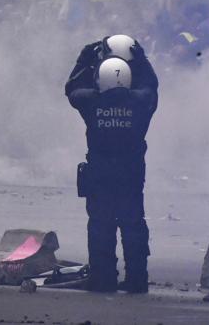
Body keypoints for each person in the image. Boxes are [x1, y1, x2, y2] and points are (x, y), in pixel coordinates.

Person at [66, 53, 158, 294]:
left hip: (100, 176)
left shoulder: (91, 103)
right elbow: (151, 85)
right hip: (131, 175)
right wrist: (139, 57)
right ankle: (137, 280)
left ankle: (103, 278)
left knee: (100, 226)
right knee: (133, 225)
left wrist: (86, 55)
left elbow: (71, 87)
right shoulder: (140, 104)